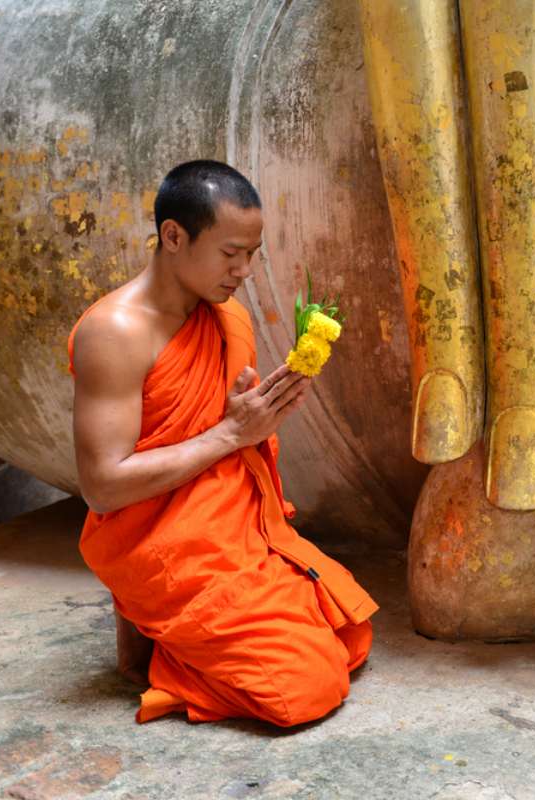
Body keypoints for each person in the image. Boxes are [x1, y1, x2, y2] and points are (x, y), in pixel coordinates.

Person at [66, 159, 377, 726]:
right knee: (305, 689)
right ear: (174, 236)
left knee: (350, 632)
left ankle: (173, 638)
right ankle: (164, 644)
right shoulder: (114, 333)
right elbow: (103, 487)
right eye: (230, 253)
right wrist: (233, 433)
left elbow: (227, 440)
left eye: (252, 254)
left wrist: (255, 418)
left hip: (226, 529)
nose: (245, 270)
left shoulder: (227, 317)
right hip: (159, 541)